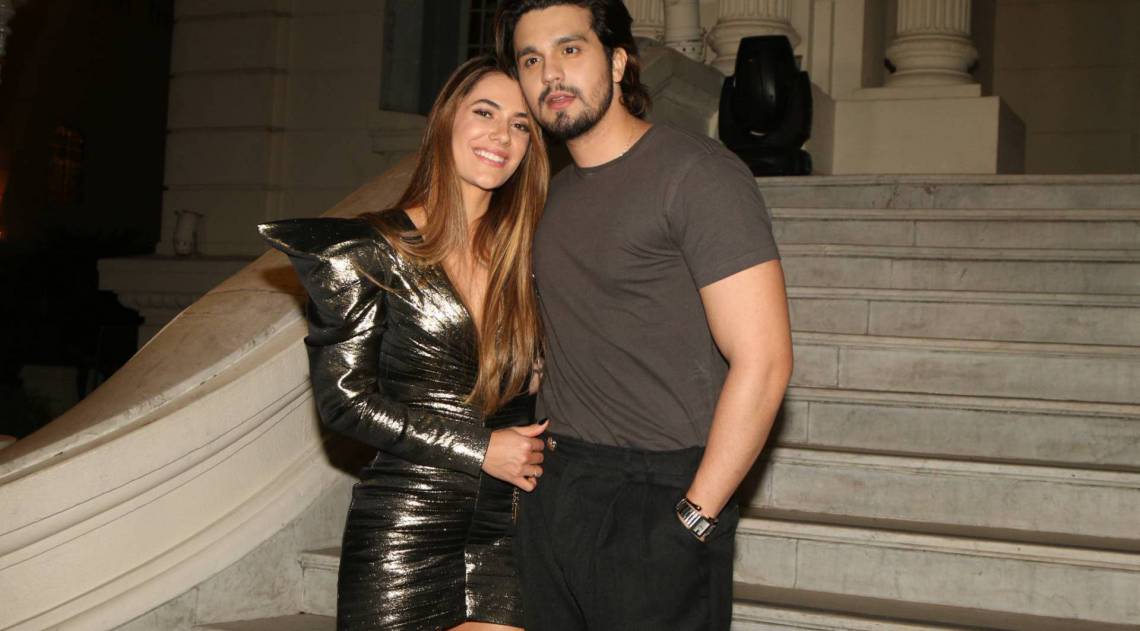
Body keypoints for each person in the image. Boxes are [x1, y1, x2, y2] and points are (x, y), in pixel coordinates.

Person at [493, 2, 794, 629]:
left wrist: (695, 515)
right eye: (531, 59)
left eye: (570, 49)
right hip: (556, 483)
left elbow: (764, 361)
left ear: (618, 61)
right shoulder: (547, 196)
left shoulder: (698, 175)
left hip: (658, 491)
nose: (551, 74)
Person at [258, 55, 549, 631]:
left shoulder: (529, 258)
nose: (502, 135)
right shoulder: (370, 249)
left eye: (520, 124)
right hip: (405, 529)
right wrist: (479, 448)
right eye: (485, 112)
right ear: (445, 123)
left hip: (507, 527)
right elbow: (344, 401)